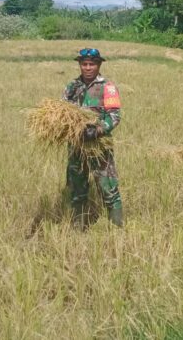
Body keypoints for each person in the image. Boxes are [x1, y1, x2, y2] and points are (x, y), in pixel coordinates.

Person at [62, 48, 123, 229]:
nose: (88, 67)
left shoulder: (107, 87)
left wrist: (97, 130)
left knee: (108, 187)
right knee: (77, 188)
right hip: (76, 145)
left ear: (99, 65)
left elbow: (114, 116)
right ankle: (78, 228)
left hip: (99, 146)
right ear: (80, 65)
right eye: (84, 64)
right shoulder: (72, 87)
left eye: (92, 64)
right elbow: (61, 113)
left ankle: (117, 229)